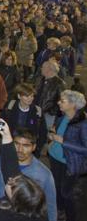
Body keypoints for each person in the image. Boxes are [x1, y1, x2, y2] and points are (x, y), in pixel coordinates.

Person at [0, 119, 48, 221]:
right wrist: (7, 136)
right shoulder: (29, 207)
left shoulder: (2, 216)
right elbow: (11, 167)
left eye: (13, 185)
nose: (11, 180)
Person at [47, 90, 87, 221]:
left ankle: (71, 216)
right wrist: (51, 139)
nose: (58, 102)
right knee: (56, 188)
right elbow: (57, 132)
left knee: (66, 193)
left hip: (69, 163)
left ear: (73, 105)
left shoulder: (83, 123)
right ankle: (60, 211)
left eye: (62, 101)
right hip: (54, 158)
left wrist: (64, 141)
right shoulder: (61, 116)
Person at [0, 83, 47, 156]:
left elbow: (43, 132)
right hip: (10, 144)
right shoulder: (10, 106)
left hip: (27, 148)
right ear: (19, 96)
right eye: (27, 96)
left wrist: (37, 149)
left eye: (32, 96)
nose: (30, 98)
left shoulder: (37, 111)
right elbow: (2, 123)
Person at [36, 60, 66, 129]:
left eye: (43, 67)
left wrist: (52, 112)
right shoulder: (41, 79)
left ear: (49, 69)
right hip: (37, 111)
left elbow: (62, 100)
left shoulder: (59, 84)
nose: (41, 69)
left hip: (49, 115)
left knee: (45, 132)